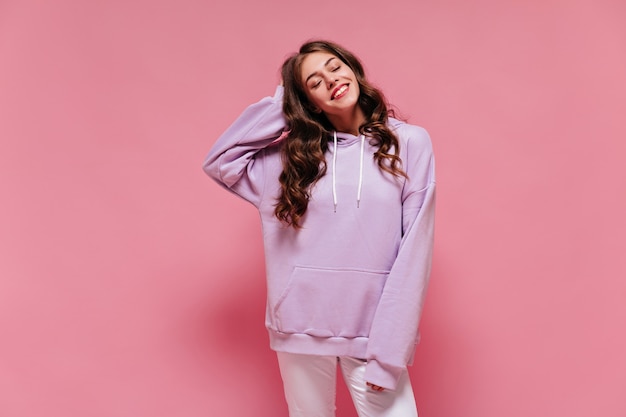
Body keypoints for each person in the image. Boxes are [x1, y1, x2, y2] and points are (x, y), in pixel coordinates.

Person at [203, 40, 435, 417]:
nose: (331, 79)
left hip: (372, 334)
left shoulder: (408, 143)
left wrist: (389, 352)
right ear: (308, 101)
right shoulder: (290, 159)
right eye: (314, 81)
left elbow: (416, 250)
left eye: (334, 66)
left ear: (352, 69)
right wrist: (285, 105)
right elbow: (220, 160)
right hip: (299, 326)